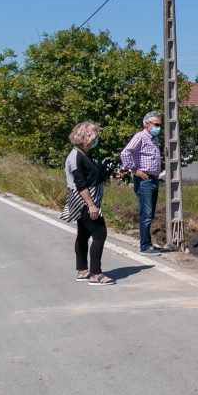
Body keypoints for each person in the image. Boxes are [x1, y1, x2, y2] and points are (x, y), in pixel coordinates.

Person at [60, 121, 114, 285]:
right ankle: (95, 274)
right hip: (84, 202)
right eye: (94, 135)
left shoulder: (82, 154)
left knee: (83, 235)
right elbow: (80, 184)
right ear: (86, 137)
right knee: (99, 233)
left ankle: (82, 270)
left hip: (86, 201)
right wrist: (91, 205)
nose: (96, 138)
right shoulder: (76, 157)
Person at [120, 111, 165, 254]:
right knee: (145, 213)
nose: (158, 127)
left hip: (153, 179)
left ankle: (148, 243)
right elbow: (125, 153)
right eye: (156, 124)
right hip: (144, 180)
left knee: (149, 213)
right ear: (146, 124)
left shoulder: (154, 139)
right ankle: (145, 246)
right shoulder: (140, 136)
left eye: (160, 125)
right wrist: (134, 170)